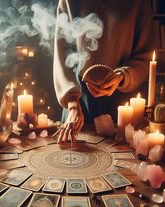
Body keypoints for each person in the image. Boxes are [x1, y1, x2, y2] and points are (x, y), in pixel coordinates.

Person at [53, 0, 156, 145]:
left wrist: (121, 76)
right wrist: (72, 103)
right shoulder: (69, 2)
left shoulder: (139, 3)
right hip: (79, 100)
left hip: (121, 101)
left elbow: (144, 57)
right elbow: (62, 57)